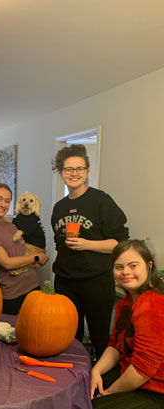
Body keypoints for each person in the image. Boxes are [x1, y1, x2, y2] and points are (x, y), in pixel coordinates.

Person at [51, 144, 129, 359]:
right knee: (69, 337)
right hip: (65, 281)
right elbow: (60, 246)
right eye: (68, 169)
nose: (74, 173)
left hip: (96, 281)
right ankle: (74, 380)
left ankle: (101, 384)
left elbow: (120, 242)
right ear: (60, 172)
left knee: (100, 337)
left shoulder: (101, 201)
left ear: (86, 171)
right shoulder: (58, 208)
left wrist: (87, 244)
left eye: (79, 168)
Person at [91, 239, 164, 409]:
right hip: (133, 377)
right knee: (77, 384)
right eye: (119, 267)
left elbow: (143, 369)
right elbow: (115, 344)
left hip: (157, 395)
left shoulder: (152, 304)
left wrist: (110, 392)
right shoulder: (126, 303)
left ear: (149, 266)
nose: (125, 272)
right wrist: (96, 371)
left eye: (133, 265)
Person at [0, 183, 48, 315]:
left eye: (7, 201)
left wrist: (40, 257)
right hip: (10, 292)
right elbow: (7, 263)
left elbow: (26, 249)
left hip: (32, 285)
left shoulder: (13, 224)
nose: (3, 204)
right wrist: (36, 257)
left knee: (35, 331)